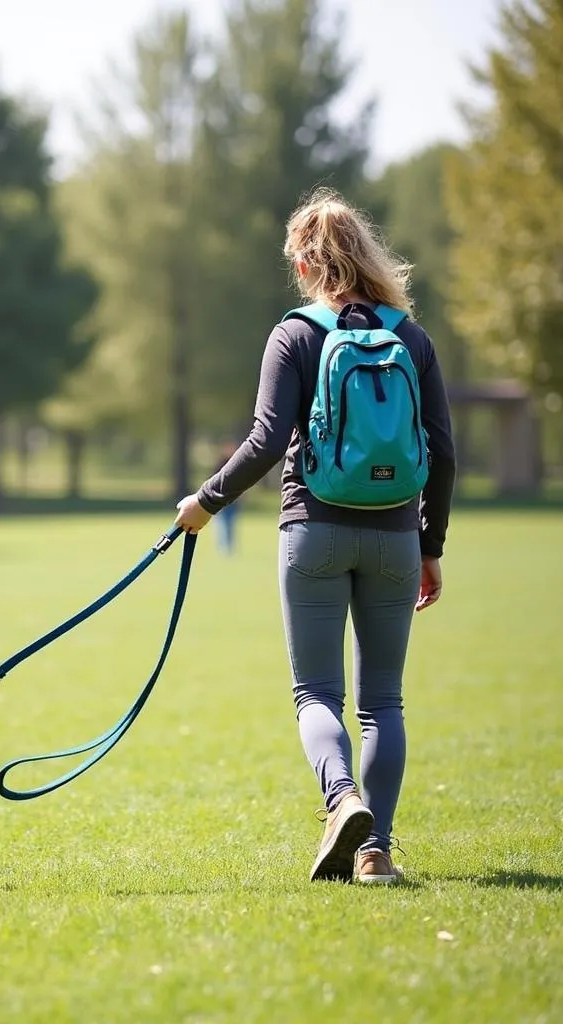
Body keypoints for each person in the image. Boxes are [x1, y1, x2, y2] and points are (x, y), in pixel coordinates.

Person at [174, 188, 456, 885]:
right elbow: (444, 452)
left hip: (313, 530)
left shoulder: (296, 333)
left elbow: (268, 441)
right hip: (394, 535)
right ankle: (374, 852)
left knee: (316, 696)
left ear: (304, 265)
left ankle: (342, 800)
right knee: (382, 701)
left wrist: (206, 502)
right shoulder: (410, 338)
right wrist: (430, 544)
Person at [212, 443, 240, 555]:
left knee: (230, 524)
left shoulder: (238, 463)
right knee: (221, 524)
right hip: (221, 500)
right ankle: (222, 547)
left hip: (233, 501)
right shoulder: (220, 465)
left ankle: (229, 547)